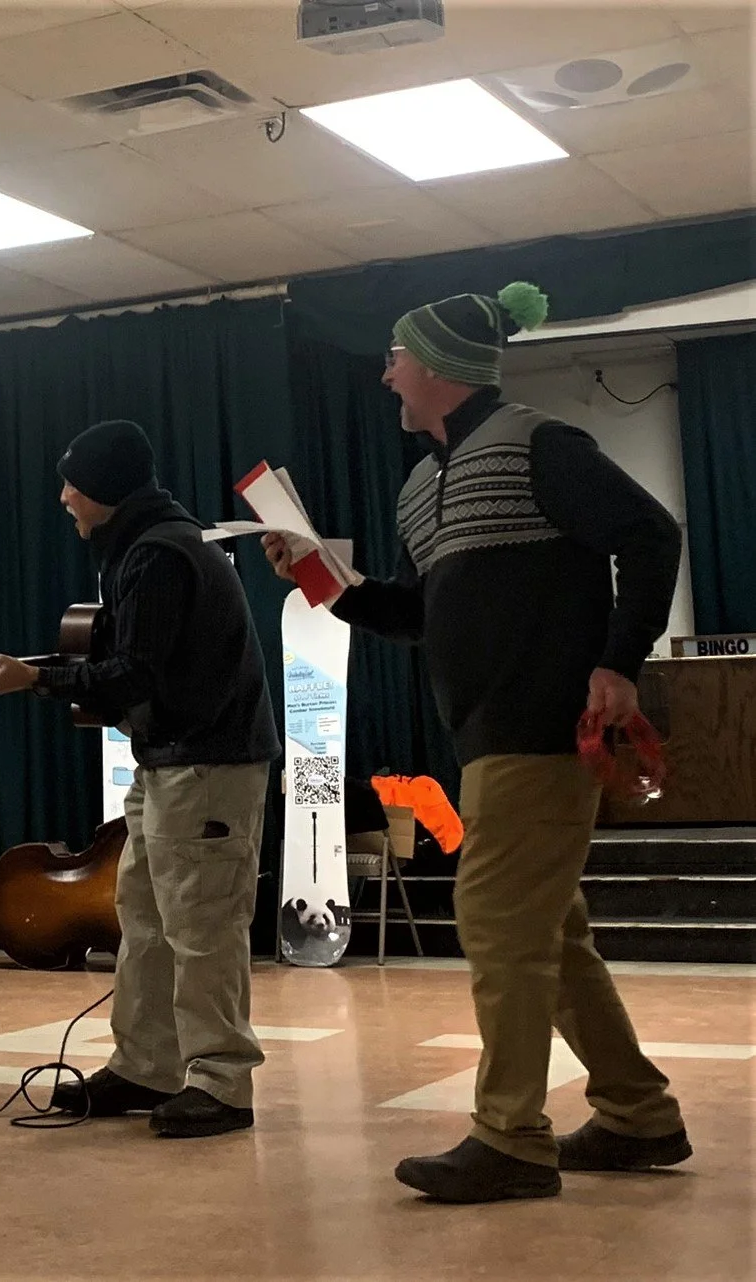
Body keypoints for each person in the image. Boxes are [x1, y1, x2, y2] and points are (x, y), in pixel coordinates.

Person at [265, 281, 689, 1202]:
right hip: (484, 733)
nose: (384, 375)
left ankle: (510, 1138)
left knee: (498, 928)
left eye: (395, 357)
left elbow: (650, 535)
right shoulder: (421, 487)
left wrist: (620, 660)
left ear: (439, 369)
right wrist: (329, 584)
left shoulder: (539, 444)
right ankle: (636, 1113)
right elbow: (421, 615)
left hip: (540, 728)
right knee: (549, 938)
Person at [0, 420, 280, 1139]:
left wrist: (35, 680)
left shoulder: (158, 553)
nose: (62, 498)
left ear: (106, 491)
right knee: (144, 917)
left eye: (73, 486)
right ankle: (147, 1064)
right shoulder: (155, 542)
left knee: (202, 924)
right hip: (173, 759)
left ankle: (220, 1081)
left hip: (207, 761)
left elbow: (134, 671)